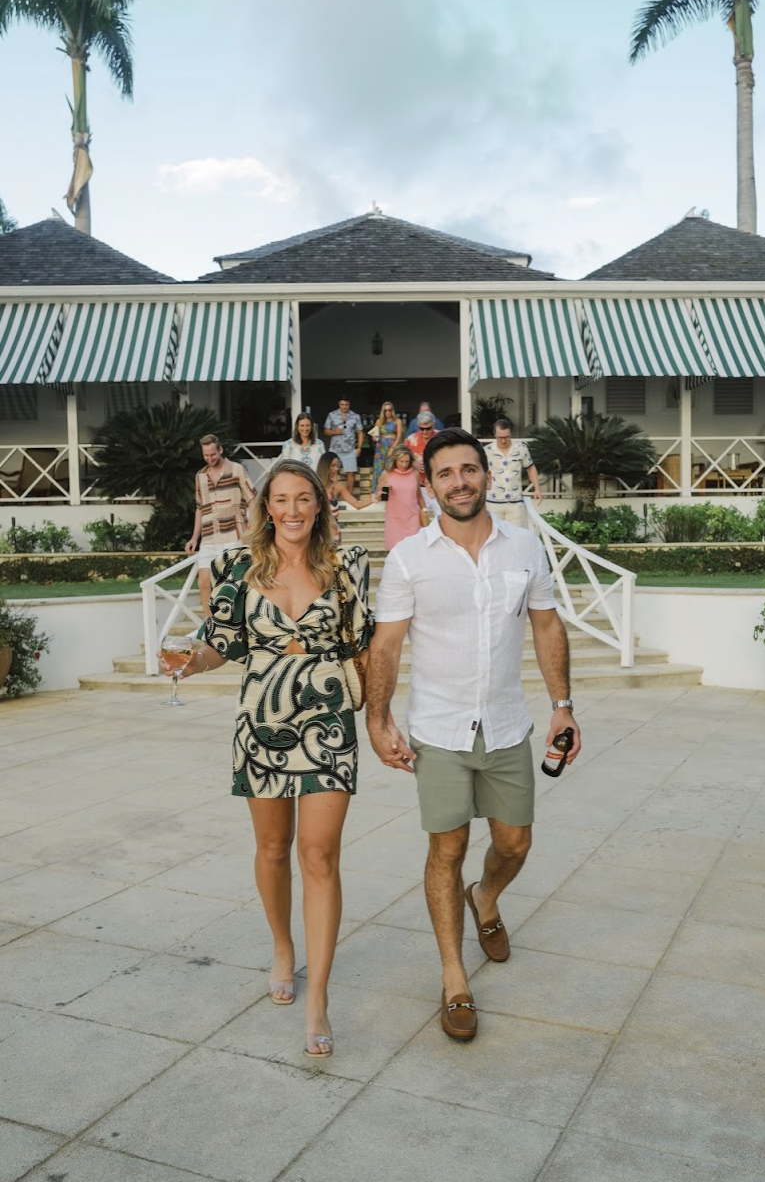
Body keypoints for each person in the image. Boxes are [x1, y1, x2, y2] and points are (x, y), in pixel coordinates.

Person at [365, 428, 581, 1043]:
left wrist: (563, 706)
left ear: (488, 474)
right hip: (439, 729)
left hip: (508, 724)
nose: (458, 481)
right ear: (428, 486)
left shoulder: (524, 548)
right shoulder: (410, 557)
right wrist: (378, 720)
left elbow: (546, 626)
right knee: (446, 850)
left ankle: (485, 899)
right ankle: (454, 976)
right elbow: (385, 644)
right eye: (445, 473)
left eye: (469, 469)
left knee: (515, 844)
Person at [165, 459, 373, 1059]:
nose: (291, 511)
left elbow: (365, 645)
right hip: (260, 726)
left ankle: (319, 1001)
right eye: (279, 500)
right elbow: (220, 646)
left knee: (320, 856)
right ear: (265, 508)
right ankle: (283, 946)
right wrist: (188, 661)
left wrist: (378, 717)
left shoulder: (348, 566)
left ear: (319, 505)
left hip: (328, 727)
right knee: (273, 849)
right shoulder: (237, 567)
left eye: (302, 499)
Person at [185, 434, 255, 617]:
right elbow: (200, 508)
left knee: (233, 586)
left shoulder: (236, 469)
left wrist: (251, 526)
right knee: (203, 582)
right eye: (206, 455)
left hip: (233, 535)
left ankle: (237, 625)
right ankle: (211, 629)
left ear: (220, 450)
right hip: (208, 537)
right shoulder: (200, 476)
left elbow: (252, 499)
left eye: (212, 455)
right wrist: (194, 538)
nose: (209, 459)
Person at [484, 417, 542, 529]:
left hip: (515, 502)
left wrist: (537, 489)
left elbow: (530, 468)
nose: (503, 440)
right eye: (500, 437)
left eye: (506, 437)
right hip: (493, 502)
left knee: (517, 535)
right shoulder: (487, 451)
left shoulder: (521, 448)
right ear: (494, 434)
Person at [375, 444, 427, 550]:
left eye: (407, 461)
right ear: (395, 460)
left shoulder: (415, 474)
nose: (404, 464)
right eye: (401, 461)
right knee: (396, 551)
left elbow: (419, 496)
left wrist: (425, 512)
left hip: (413, 518)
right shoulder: (387, 474)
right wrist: (382, 493)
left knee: (415, 549)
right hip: (395, 519)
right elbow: (377, 496)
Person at [317, 452, 373, 541]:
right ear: (325, 466)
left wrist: (375, 498)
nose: (336, 469)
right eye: (333, 465)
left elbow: (357, 504)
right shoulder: (312, 486)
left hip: (333, 535)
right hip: (316, 535)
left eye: (337, 466)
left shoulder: (338, 486)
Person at [324, 396, 363, 494]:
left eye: (346, 405)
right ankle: (333, 494)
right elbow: (326, 431)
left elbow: (360, 432)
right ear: (339, 404)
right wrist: (334, 431)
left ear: (349, 404)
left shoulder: (355, 416)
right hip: (335, 449)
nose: (344, 407)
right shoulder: (332, 415)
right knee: (333, 472)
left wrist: (359, 447)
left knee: (351, 473)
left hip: (350, 449)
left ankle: (348, 495)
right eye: (342, 404)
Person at [405, 410, 440, 519]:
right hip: (418, 488)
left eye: (428, 428)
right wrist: (412, 463)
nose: (424, 432)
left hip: (437, 486)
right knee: (419, 520)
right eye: (422, 429)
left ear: (433, 425)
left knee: (442, 517)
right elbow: (400, 461)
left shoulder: (442, 438)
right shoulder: (411, 440)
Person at [371, 401, 404, 482]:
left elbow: (399, 436)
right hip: (380, 447)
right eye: (385, 410)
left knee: (391, 467)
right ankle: (377, 491)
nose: (388, 412)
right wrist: (374, 438)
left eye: (389, 410)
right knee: (379, 468)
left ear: (392, 410)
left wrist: (392, 448)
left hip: (392, 446)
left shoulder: (397, 421)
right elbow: (374, 435)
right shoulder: (379, 421)